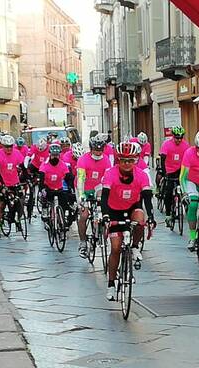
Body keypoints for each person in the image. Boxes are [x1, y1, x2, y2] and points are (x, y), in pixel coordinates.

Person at [101, 142, 155, 301]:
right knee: (116, 248)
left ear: (135, 160)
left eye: (130, 160)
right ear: (118, 160)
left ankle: (135, 246)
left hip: (132, 207)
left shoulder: (142, 175)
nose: (127, 164)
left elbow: (147, 198)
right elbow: (104, 197)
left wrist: (151, 216)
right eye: (123, 160)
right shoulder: (110, 173)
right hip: (114, 211)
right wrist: (105, 216)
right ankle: (111, 284)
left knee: (140, 219)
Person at [76, 134, 112, 257]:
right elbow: (80, 178)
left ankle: (99, 230)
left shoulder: (106, 160)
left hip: (98, 187)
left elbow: (108, 178)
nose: (98, 153)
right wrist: (81, 195)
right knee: (84, 215)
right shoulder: (83, 159)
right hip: (84, 187)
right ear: (91, 149)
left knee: (102, 206)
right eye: (96, 150)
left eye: (100, 150)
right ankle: (83, 242)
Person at [0, 135, 26, 239]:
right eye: (6, 147)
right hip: (0, 182)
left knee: (20, 201)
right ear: (2, 146)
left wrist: (26, 178)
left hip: (14, 182)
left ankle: (17, 219)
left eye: (11, 146)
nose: (9, 149)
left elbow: (22, 167)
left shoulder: (17, 153)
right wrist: (2, 185)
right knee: (0, 205)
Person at [38, 143, 74, 227]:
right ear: (50, 154)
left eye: (57, 155)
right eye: (53, 155)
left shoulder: (62, 164)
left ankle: (62, 218)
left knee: (64, 201)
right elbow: (42, 179)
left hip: (59, 187)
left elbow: (68, 177)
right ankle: (45, 212)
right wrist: (42, 189)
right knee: (45, 197)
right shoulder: (45, 164)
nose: (55, 157)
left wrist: (70, 188)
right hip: (48, 187)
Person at [159, 126, 190, 219]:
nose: (179, 140)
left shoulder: (186, 145)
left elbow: (189, 159)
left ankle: (187, 207)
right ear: (173, 136)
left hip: (181, 169)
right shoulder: (166, 144)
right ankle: (168, 214)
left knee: (186, 190)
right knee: (168, 192)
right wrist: (165, 173)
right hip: (169, 170)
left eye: (181, 138)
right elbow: (163, 159)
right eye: (177, 138)